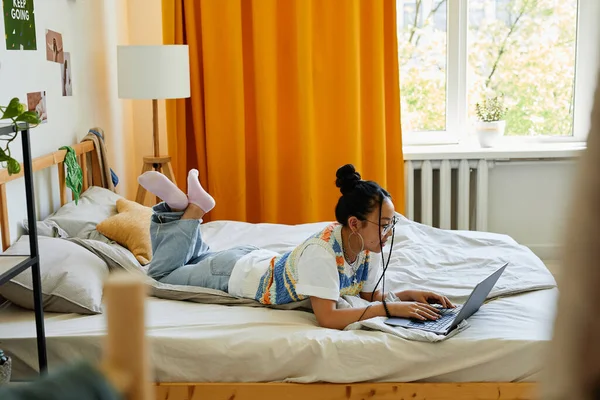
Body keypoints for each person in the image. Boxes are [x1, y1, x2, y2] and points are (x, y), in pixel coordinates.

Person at [139, 164, 454, 330]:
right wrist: (390, 309)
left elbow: (367, 297)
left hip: (256, 260)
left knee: (196, 257)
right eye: (383, 225)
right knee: (162, 275)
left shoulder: (365, 248)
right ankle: (191, 210)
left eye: (390, 224)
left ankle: (183, 207)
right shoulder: (323, 252)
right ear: (355, 223)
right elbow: (328, 318)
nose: (388, 233)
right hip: (238, 274)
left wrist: (410, 295)